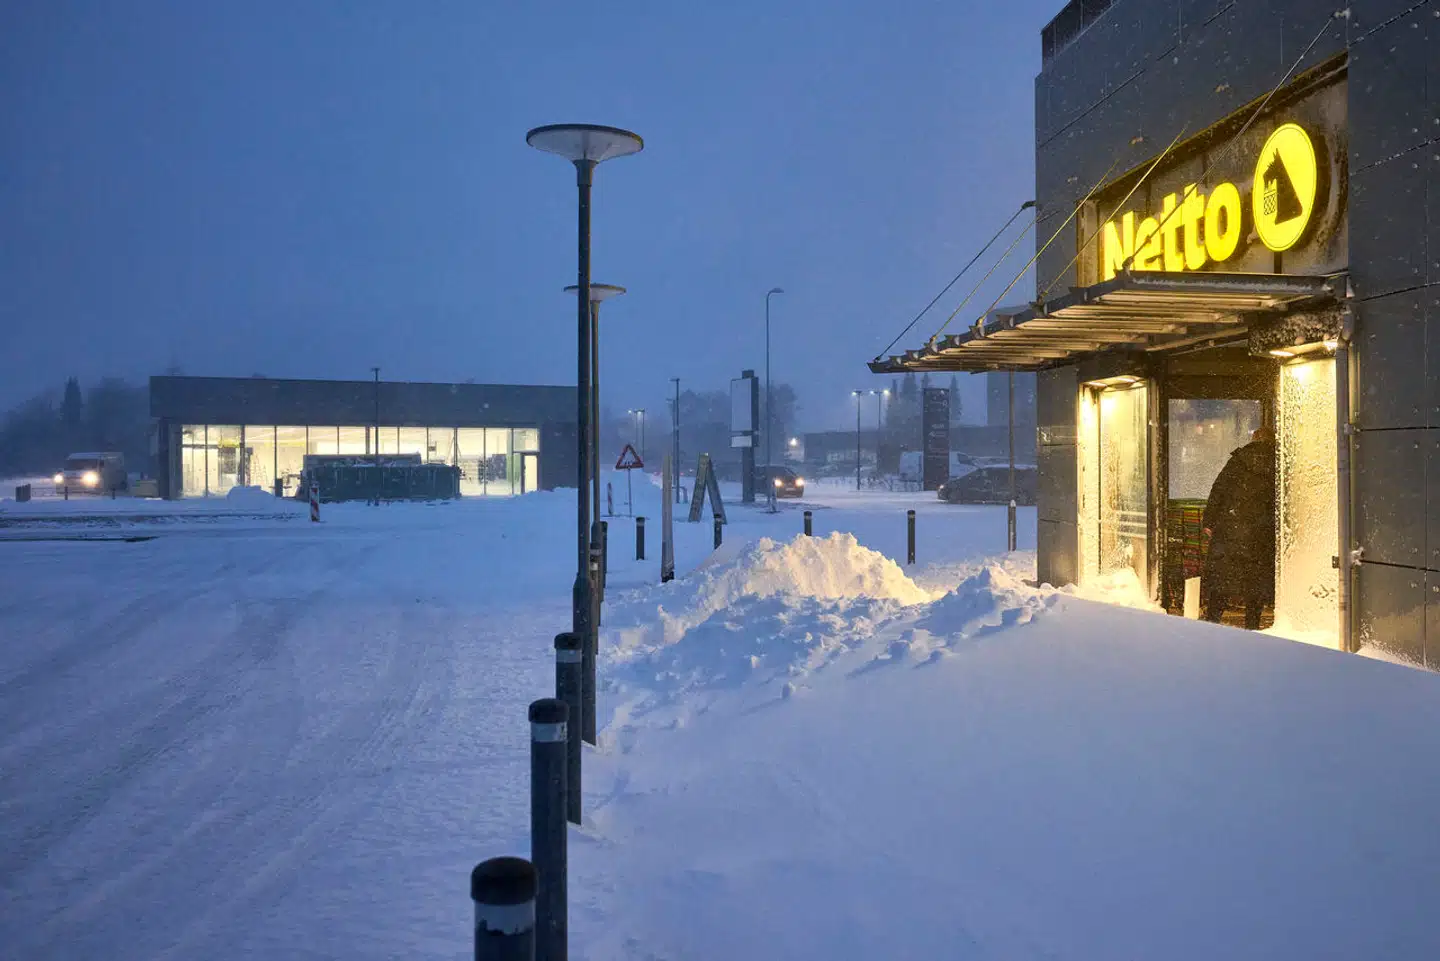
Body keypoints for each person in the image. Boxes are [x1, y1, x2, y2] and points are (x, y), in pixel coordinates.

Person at [1201, 426, 1277, 629]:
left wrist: (1209, 521)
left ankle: (1213, 620)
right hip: (1261, 533)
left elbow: (1219, 489)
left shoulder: (1238, 461)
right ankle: (1252, 624)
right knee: (1256, 582)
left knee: (1222, 579)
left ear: (1254, 439)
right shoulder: (1278, 462)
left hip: (1231, 530)